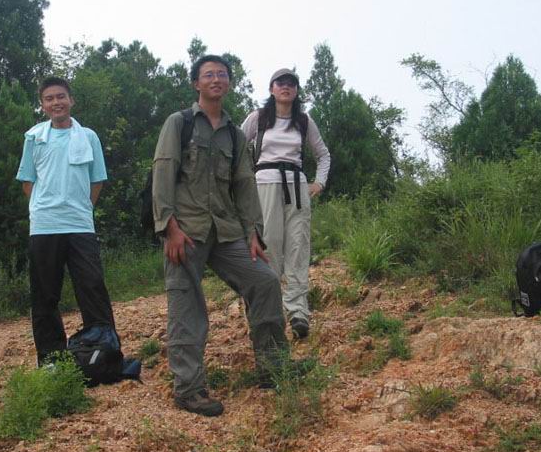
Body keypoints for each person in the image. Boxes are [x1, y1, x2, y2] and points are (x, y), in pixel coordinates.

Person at [151, 55, 291, 417]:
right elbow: (163, 172)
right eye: (208, 74)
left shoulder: (234, 134)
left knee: (264, 281)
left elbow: (244, 185)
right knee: (186, 306)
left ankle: (274, 369)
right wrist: (168, 227)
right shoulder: (179, 123)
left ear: (229, 82)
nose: (216, 79)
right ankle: (189, 389)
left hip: (227, 230)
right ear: (196, 83)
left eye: (222, 74)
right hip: (186, 231)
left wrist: (253, 233)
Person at [16, 76, 117, 367]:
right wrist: (44, 208)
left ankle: (104, 354)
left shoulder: (89, 136)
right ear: (42, 105)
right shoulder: (34, 137)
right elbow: (27, 181)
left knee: (92, 287)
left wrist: (82, 208)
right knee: (45, 294)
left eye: (61, 96)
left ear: (71, 100)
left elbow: (97, 181)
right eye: (49, 98)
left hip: (80, 224)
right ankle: (51, 360)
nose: (56, 102)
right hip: (44, 226)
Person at [240, 68, 331, 340]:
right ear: (272, 89)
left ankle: (298, 312)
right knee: (269, 248)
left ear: (296, 90)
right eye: (280, 83)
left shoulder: (303, 120)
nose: (286, 87)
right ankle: (267, 315)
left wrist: (319, 183)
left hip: (297, 186)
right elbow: (236, 147)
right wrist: (242, 183)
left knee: (298, 247)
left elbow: (323, 154)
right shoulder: (259, 117)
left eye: (291, 83)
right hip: (265, 183)